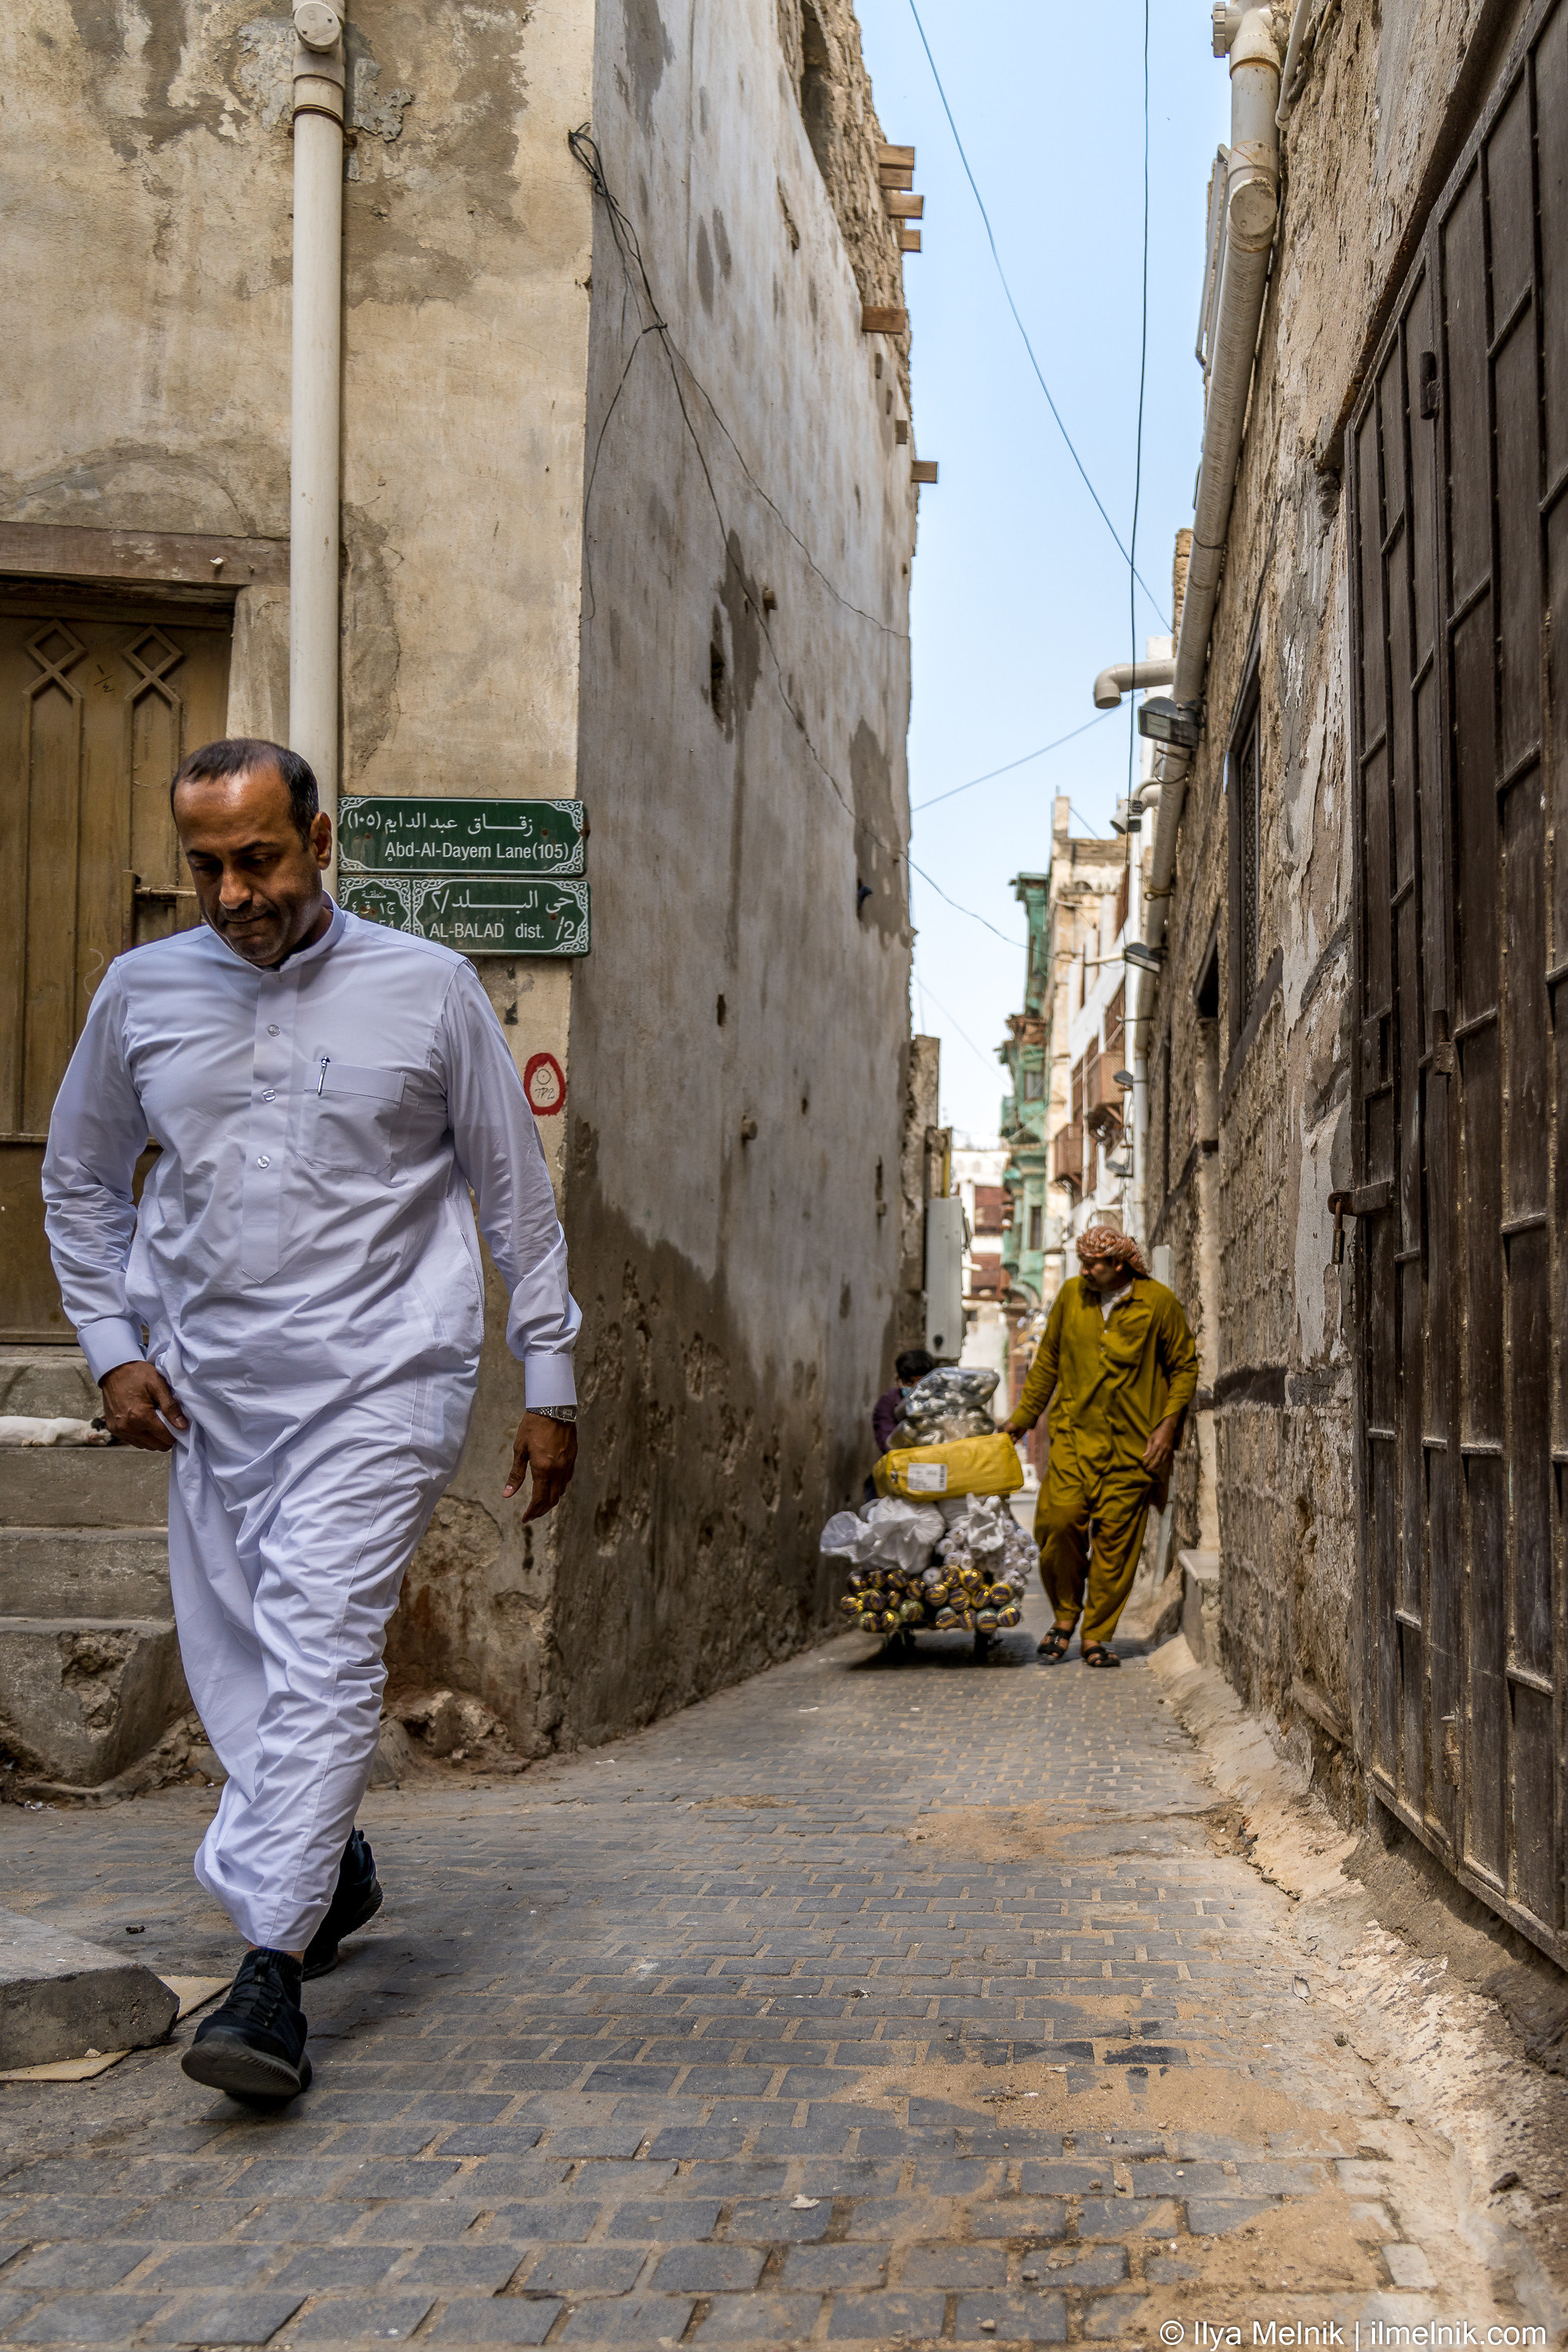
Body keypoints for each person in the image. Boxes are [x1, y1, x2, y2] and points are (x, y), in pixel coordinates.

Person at [42, 738, 580, 2107]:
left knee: (328, 1641)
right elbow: (85, 1183)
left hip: (385, 1374)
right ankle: (326, 1862)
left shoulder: (430, 990)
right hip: (211, 1388)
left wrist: (550, 1385)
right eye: (208, 867)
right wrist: (113, 1349)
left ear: (321, 840)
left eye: (261, 859)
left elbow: (516, 1201)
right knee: (242, 1671)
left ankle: (269, 1972)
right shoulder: (140, 995)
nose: (235, 894)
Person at [1004, 1226, 1196, 1668]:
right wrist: (1021, 1420)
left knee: (1116, 1544)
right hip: (1073, 1438)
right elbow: (1046, 1362)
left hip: (1135, 1446)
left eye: (1094, 1264)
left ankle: (1095, 1635)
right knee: (1057, 1522)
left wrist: (1168, 1429)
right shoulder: (1073, 1296)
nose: (1084, 1270)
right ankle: (1065, 1614)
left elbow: (1184, 1367)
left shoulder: (1158, 1303)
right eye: (1083, 1262)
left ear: (1120, 1265)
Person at [872, 1348, 937, 1456]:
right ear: (899, 1381)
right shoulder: (888, 1403)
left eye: (922, 1381)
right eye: (910, 1382)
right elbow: (889, 1444)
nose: (916, 1387)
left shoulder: (939, 1399)